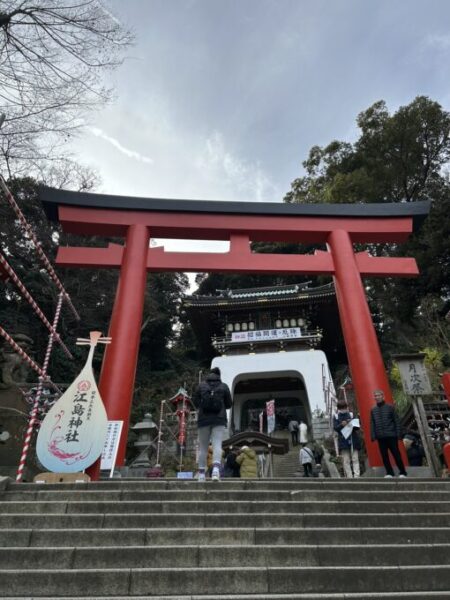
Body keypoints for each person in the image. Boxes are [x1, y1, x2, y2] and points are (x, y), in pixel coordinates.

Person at [192, 366, 232, 481]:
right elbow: (229, 404)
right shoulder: (224, 386)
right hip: (219, 419)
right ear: (219, 376)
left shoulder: (201, 386)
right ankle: (215, 471)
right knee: (217, 445)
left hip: (203, 420)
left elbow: (195, 402)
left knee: (203, 447)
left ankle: (201, 475)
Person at [370, 389, 407, 478]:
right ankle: (389, 472)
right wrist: (373, 435)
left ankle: (402, 472)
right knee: (384, 456)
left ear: (383, 396)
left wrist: (399, 434)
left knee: (396, 454)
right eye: (375, 396)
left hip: (391, 435)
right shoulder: (373, 410)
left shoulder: (390, 407)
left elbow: (396, 421)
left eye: (379, 395)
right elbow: (372, 423)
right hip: (380, 436)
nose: (377, 397)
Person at [334, 400, 361, 478]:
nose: (343, 409)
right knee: (346, 460)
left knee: (355, 458)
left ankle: (357, 476)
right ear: (338, 408)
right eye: (341, 408)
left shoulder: (351, 414)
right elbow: (335, 428)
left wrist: (351, 423)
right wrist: (341, 425)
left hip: (353, 439)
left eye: (344, 407)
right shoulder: (336, 416)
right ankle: (349, 477)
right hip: (343, 440)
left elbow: (357, 427)